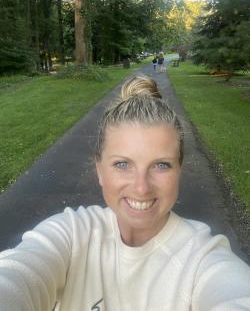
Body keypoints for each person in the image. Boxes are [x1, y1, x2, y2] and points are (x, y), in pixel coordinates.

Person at [0, 75, 249, 311]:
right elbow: (17, 276)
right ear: (99, 170)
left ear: (179, 170)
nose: (141, 187)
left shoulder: (202, 257)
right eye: (122, 164)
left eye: (161, 165)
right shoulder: (71, 234)